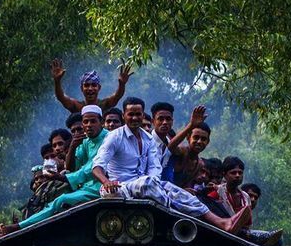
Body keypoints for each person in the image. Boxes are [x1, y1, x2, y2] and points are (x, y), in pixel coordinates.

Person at [91, 97, 251, 233]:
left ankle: (222, 223)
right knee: (150, 184)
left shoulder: (147, 139)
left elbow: (155, 169)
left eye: (137, 114)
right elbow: (97, 166)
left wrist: (159, 184)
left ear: (142, 115)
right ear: (124, 116)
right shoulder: (115, 136)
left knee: (175, 190)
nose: (134, 118)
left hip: (146, 186)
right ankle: (179, 212)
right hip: (119, 188)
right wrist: (106, 181)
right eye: (130, 114)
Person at [0, 107, 108, 239]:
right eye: (86, 122)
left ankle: (17, 229)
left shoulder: (107, 138)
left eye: (92, 121)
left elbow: (90, 169)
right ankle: (16, 229)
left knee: (61, 199)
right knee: (49, 199)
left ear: (101, 121)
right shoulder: (87, 141)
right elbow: (75, 165)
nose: (88, 126)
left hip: (101, 185)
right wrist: (72, 147)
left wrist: (61, 176)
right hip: (85, 185)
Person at [209, 158, 282, 246]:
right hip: (220, 231)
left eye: (240, 173)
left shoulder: (245, 197)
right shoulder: (216, 191)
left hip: (240, 235)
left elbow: (246, 225)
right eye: (233, 172)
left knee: (278, 241)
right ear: (224, 174)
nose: (237, 175)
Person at [50, 59, 133, 114]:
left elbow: (117, 96)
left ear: (99, 88)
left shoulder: (104, 105)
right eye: (86, 85)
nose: (90, 88)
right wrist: (57, 81)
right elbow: (61, 98)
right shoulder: (78, 106)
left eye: (93, 85)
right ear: (82, 88)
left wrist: (122, 84)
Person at [150, 100, 176, 181]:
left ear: (172, 121)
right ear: (153, 121)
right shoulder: (146, 142)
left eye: (168, 119)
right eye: (160, 119)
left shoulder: (171, 144)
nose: (165, 122)